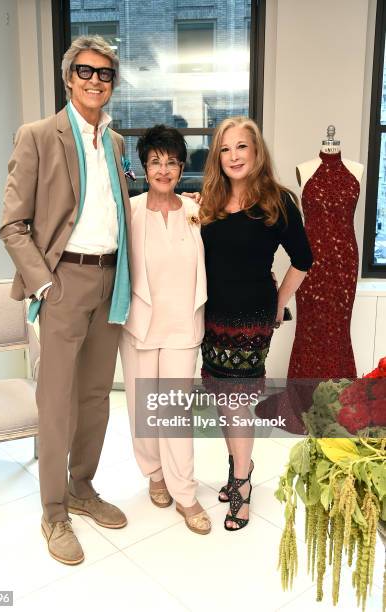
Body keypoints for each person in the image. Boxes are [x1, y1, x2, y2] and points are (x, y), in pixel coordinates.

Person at [0, 35, 131, 565]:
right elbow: (12, 225)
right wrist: (45, 283)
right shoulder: (37, 136)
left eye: (105, 74)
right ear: (68, 76)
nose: (95, 80)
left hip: (110, 281)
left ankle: (82, 487)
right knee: (56, 403)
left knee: (96, 396)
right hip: (63, 282)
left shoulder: (116, 143)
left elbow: (111, 209)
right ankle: (53, 512)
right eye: (86, 71)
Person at [199, 116, 313, 531]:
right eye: (225, 149)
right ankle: (236, 470)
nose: (233, 156)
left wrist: (278, 304)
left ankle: (243, 485)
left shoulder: (277, 201)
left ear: (256, 151)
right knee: (223, 397)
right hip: (213, 318)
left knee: (236, 400)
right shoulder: (209, 202)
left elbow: (304, 260)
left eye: (241, 147)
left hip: (250, 320)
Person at [119, 125, 211, 535]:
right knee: (143, 408)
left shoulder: (196, 211)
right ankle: (154, 473)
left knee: (174, 412)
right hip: (140, 323)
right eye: (156, 161)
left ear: (181, 167)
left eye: (171, 162)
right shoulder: (130, 210)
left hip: (182, 326)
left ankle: (185, 494)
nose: (164, 169)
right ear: (144, 165)